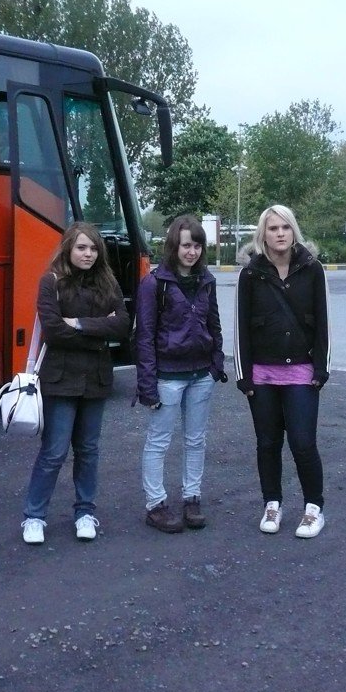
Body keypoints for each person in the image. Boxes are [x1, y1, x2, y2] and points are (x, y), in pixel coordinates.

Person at [20, 222, 130, 545]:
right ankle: (34, 517)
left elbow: (123, 325)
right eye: (82, 247)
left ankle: (85, 512)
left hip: (96, 378)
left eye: (94, 248)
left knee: (88, 451)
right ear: (69, 248)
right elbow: (54, 331)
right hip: (60, 379)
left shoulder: (108, 282)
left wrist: (79, 324)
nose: (88, 254)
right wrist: (100, 329)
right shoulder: (51, 281)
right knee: (54, 452)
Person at [234, 205, 330, 539]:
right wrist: (243, 375)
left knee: (303, 443)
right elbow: (241, 327)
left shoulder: (312, 269)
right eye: (273, 228)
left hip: (302, 372)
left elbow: (323, 323)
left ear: (294, 231)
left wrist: (321, 369)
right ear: (263, 234)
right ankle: (272, 503)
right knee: (267, 443)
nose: (279, 233)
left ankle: (313, 508)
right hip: (262, 375)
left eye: (285, 227)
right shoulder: (250, 273)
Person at [135, 215, 227, 533]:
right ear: (174, 246)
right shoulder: (154, 284)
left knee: (196, 440)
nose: (192, 252)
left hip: (201, 375)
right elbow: (144, 337)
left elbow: (214, 325)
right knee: (159, 441)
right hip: (168, 377)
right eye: (186, 245)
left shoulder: (206, 281)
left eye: (197, 245)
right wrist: (147, 385)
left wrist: (216, 365)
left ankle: (192, 498)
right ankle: (155, 505)